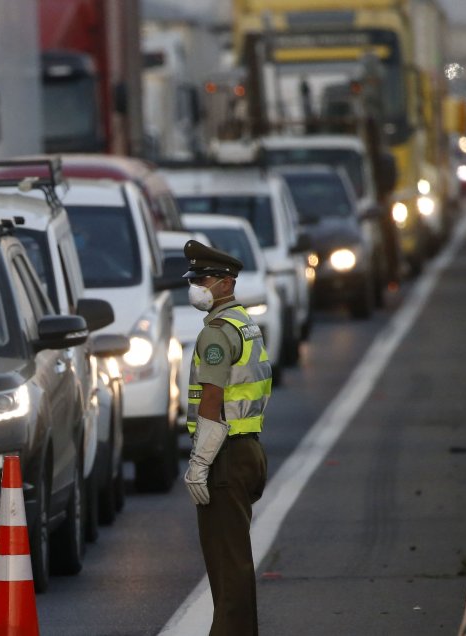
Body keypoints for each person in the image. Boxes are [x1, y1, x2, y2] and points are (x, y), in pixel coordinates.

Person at [182, 239, 272, 636]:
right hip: (248, 448)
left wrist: (199, 464)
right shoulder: (245, 323)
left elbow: (212, 400)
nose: (196, 286)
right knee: (233, 560)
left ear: (224, 282)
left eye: (202, 279)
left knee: (226, 563)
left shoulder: (217, 333)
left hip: (225, 455)